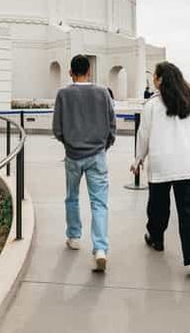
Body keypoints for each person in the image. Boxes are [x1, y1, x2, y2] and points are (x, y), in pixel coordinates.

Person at [130, 61, 190, 280]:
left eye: (154, 77)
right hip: (189, 163)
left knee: (158, 205)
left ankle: (156, 238)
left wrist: (138, 159)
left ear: (160, 79)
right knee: (189, 211)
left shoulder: (153, 105)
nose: (152, 81)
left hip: (163, 162)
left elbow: (143, 135)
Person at [53, 54, 116, 272]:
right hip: (97, 155)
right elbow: (112, 124)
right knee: (99, 203)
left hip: (73, 155)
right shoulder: (103, 93)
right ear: (89, 70)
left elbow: (57, 128)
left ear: (70, 72)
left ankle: (74, 236)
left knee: (72, 197)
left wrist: (69, 143)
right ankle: (100, 248)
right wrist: (104, 145)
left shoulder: (63, 94)